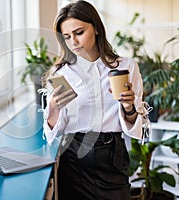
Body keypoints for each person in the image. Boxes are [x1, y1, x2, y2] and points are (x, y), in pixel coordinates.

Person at [42, 1, 147, 199]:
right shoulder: (61, 74)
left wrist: (129, 107)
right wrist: (54, 109)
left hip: (112, 159)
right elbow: (54, 132)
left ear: (97, 29)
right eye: (67, 37)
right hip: (74, 161)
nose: (73, 41)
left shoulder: (126, 67)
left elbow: (135, 126)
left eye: (79, 32)